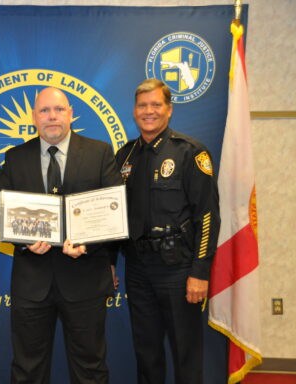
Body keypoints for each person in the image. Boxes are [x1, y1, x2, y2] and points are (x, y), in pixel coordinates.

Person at [0, 87, 122, 384]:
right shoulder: (16, 157)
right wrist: (24, 241)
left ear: (71, 114)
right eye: (44, 111)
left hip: (85, 278)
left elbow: (113, 209)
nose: (52, 116)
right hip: (32, 282)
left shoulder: (100, 152)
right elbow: (0, 207)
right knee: (27, 370)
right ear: (33, 117)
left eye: (59, 110)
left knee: (90, 367)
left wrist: (87, 245)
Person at [115, 78, 220, 384]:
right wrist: (110, 262)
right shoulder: (124, 156)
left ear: (169, 110)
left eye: (156, 105)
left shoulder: (190, 152)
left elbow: (208, 216)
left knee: (185, 351)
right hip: (137, 268)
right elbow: (114, 215)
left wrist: (200, 271)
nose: (149, 111)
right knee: (146, 353)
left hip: (178, 269)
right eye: (142, 105)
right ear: (134, 111)